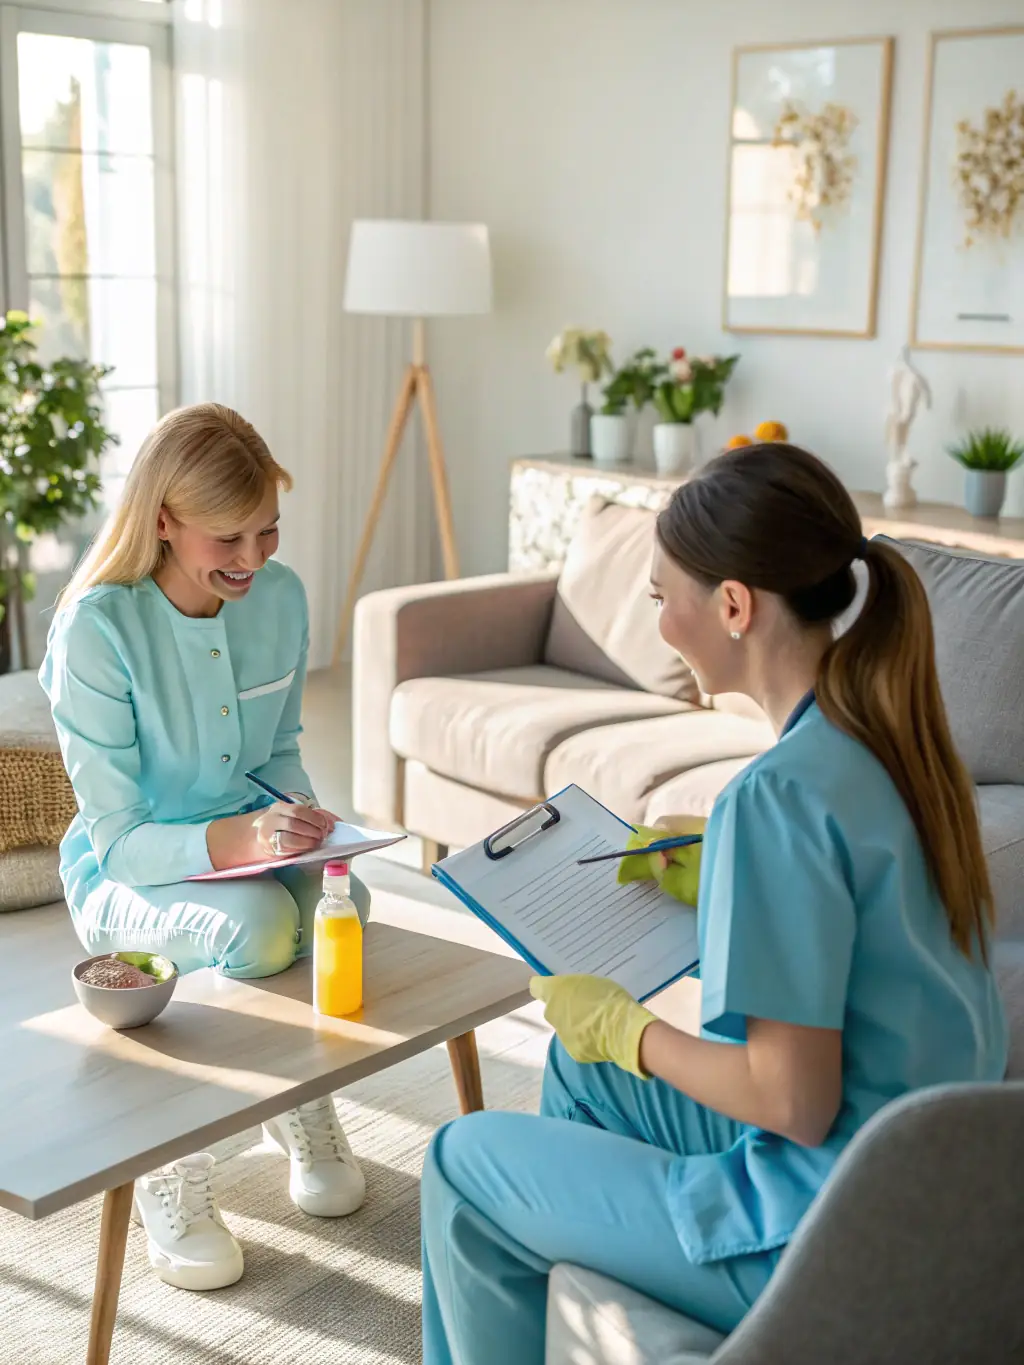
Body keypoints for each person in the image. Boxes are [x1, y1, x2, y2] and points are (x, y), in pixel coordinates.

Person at [419, 443, 1008, 1363]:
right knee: (582, 1069)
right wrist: (726, 873)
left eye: (662, 598)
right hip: (923, 1191)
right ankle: (599, 1314)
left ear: (734, 605)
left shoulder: (775, 799)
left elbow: (791, 1100)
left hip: (821, 1231)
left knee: (460, 1161)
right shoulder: (897, 746)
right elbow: (855, 929)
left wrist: (631, 1029)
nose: (659, 625)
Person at [40, 402, 370, 1293]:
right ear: (163, 521)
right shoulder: (96, 630)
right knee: (258, 928)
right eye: (228, 537)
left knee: (344, 904)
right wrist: (240, 840)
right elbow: (118, 836)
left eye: (268, 529)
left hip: (248, 839)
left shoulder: (281, 597)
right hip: (131, 868)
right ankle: (167, 1152)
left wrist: (303, 819)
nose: (253, 558)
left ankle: (296, 1096)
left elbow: (279, 749)